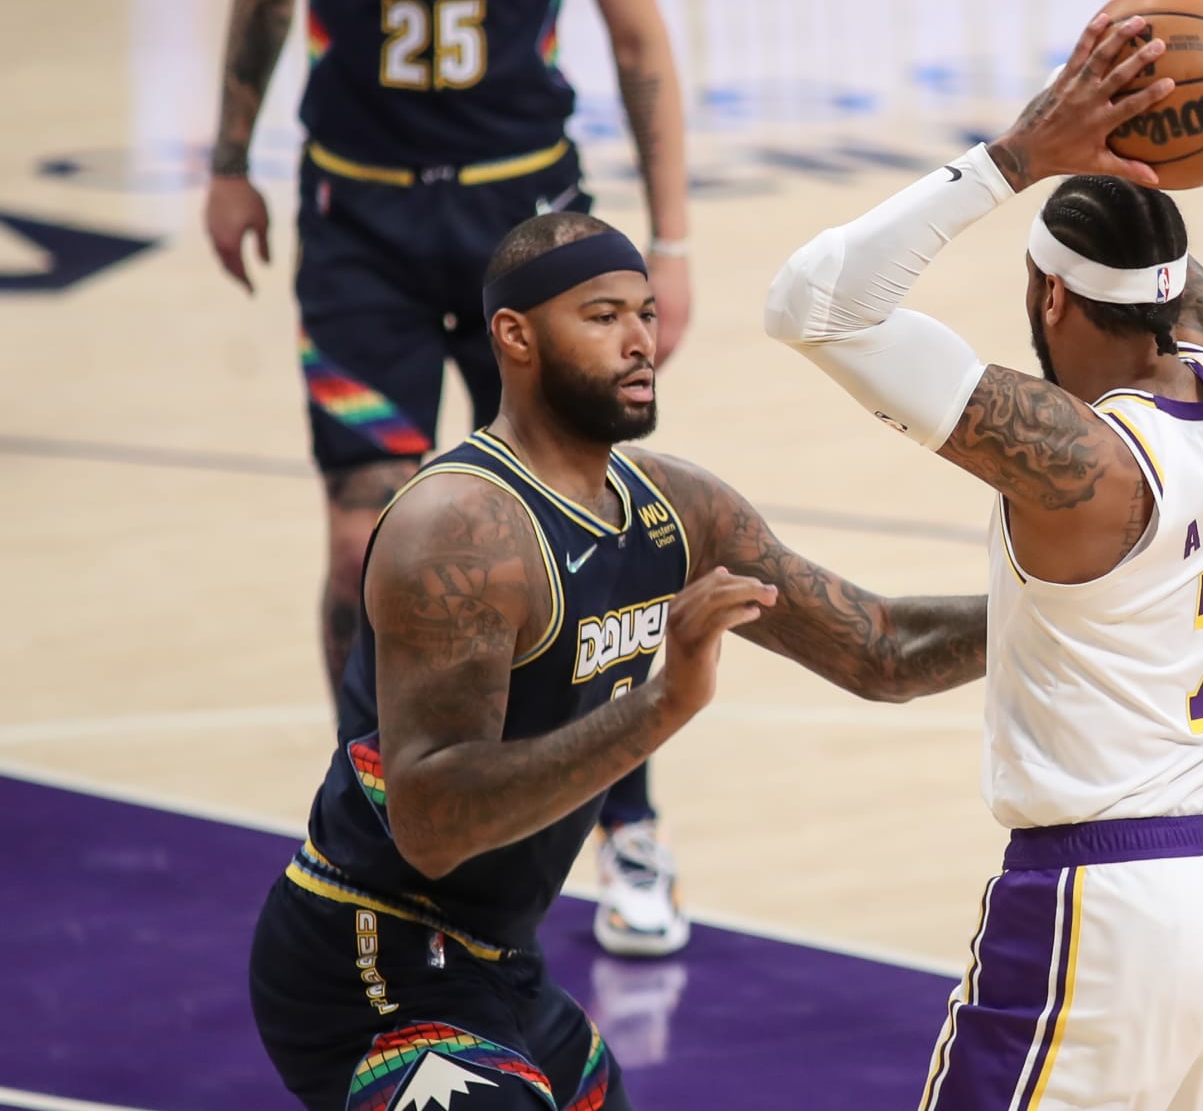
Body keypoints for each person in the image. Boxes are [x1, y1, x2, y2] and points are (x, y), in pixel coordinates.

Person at [249, 211, 986, 1111]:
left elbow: (879, 649)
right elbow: (433, 827)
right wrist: (664, 704)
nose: (640, 340)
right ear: (515, 337)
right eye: (603, 317)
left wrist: (1076, 609)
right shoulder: (460, 530)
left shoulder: (678, 508)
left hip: (500, 962)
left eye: (643, 312)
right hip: (370, 961)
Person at [765, 14, 1203, 1111]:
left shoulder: (1086, 466)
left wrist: (1016, 158)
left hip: (1105, 908)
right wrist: (1137, 159)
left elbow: (812, 302)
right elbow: (1164, 279)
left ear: (1048, 295)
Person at [203, 0, 695, 953]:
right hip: (357, 224)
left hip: (525, 229)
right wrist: (229, 159)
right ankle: (380, 823)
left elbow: (640, 43)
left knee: (584, 535)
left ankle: (629, 825)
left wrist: (673, 243)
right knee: (358, 545)